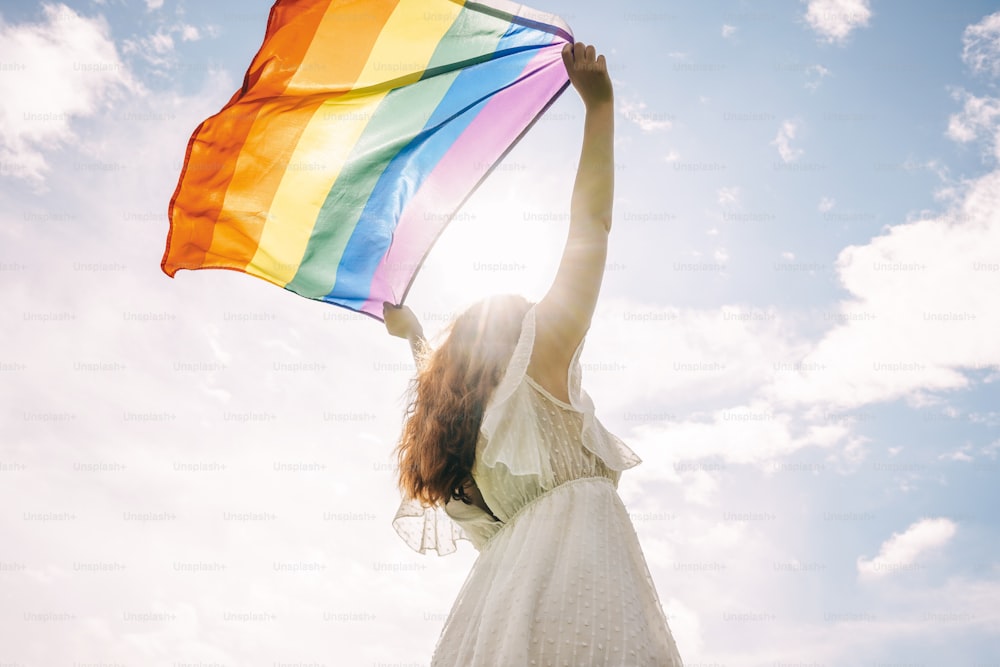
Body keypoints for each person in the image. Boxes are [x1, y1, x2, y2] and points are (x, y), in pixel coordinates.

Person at [383, 42, 684, 666]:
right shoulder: (542, 350)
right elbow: (590, 228)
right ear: (517, 337)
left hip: (499, 602)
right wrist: (599, 106)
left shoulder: (469, 433)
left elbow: (437, 374)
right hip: (578, 586)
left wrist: (414, 333)